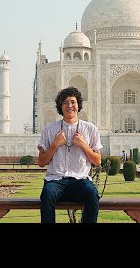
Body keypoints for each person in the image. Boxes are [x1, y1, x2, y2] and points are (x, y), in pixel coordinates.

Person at [37, 86, 103, 223]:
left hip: (81, 180)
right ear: (60, 107)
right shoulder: (49, 130)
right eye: (65, 102)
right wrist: (55, 144)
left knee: (92, 194)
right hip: (56, 181)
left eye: (73, 102)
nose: (69, 105)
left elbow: (97, 161)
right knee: (47, 194)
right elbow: (41, 162)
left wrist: (83, 144)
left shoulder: (90, 129)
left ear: (78, 105)